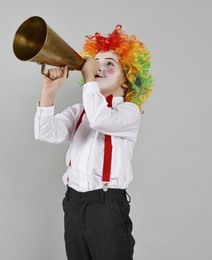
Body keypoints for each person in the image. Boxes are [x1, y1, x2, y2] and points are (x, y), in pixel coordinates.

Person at [34, 25, 153, 260]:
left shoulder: (128, 112)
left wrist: (88, 76)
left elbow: (100, 119)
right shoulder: (80, 112)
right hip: (74, 205)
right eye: (96, 61)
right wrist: (49, 92)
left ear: (127, 81)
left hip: (107, 207)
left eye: (110, 63)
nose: (99, 66)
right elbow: (45, 132)